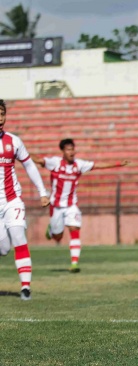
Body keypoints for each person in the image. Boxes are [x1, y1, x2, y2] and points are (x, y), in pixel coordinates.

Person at [32, 139, 130, 273]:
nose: (71, 152)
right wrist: (21, 153)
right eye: (68, 149)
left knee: (74, 229)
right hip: (56, 206)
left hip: (72, 205)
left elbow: (98, 165)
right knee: (58, 237)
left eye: (72, 149)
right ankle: (52, 231)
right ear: (63, 151)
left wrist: (118, 164)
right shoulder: (54, 162)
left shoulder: (79, 165)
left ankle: (74, 263)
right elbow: (38, 160)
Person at [0, 99, 50, 301]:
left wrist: (43, 192)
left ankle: (25, 288)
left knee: (19, 238)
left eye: (2, 113)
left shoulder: (14, 141)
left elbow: (29, 166)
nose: (0, 118)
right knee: (3, 248)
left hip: (12, 201)